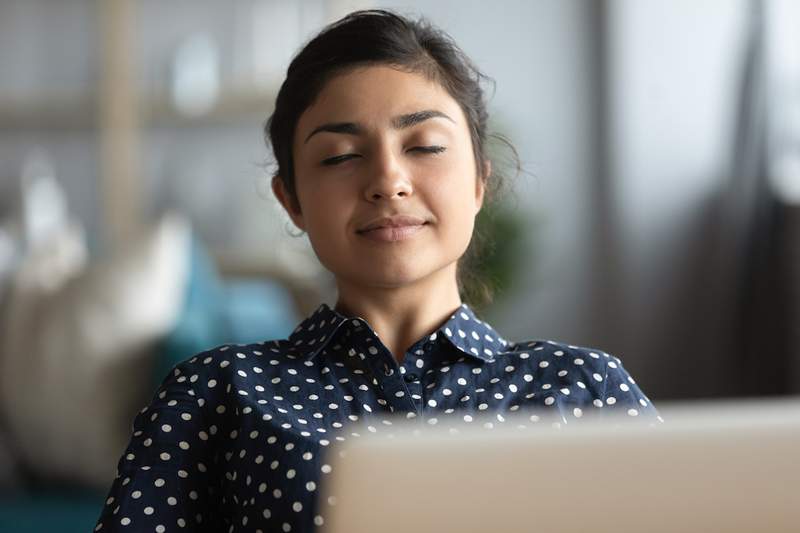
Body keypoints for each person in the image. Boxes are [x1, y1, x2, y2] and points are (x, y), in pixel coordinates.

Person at [93, 9, 662, 533]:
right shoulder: (216, 392)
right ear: (291, 199)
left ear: (479, 181)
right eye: (340, 156)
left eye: (426, 146)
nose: (388, 180)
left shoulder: (583, 390)